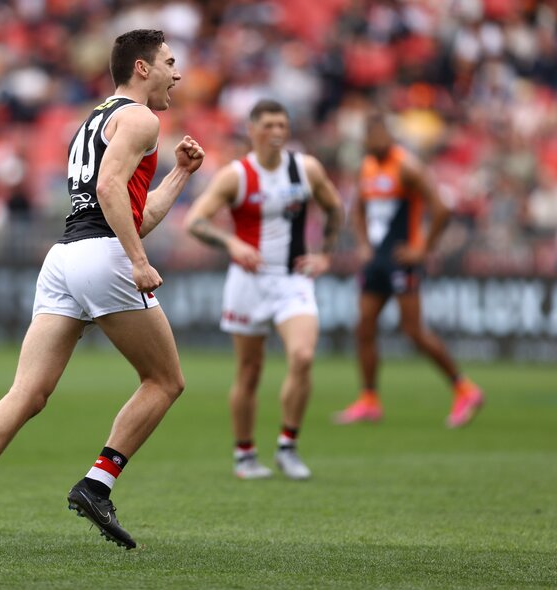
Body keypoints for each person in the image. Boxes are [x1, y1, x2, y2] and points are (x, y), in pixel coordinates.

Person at [0, 29, 204, 552]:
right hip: (103, 256)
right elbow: (109, 192)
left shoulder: (95, 119)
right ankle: (97, 484)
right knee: (165, 380)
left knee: (27, 393)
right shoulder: (142, 118)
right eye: (170, 62)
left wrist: (180, 176)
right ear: (142, 69)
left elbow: (132, 210)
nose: (178, 73)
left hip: (63, 259)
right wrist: (138, 262)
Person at [184, 99, 343, 481]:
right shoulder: (236, 176)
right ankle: (245, 454)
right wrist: (233, 244)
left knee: (303, 356)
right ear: (252, 130)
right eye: (269, 125)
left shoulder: (305, 169)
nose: (276, 132)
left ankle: (288, 445)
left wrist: (325, 255)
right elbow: (196, 221)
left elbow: (335, 208)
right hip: (248, 282)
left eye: (282, 125)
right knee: (249, 372)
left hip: (292, 279)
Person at [333, 113, 483, 427]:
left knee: (413, 331)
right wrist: (362, 244)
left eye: (382, 135)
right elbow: (358, 209)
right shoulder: (367, 168)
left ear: (390, 137)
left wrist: (423, 250)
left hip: (402, 259)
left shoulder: (406, 166)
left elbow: (441, 208)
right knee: (364, 328)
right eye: (372, 136)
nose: (377, 141)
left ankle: (464, 388)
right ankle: (369, 399)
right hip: (377, 260)